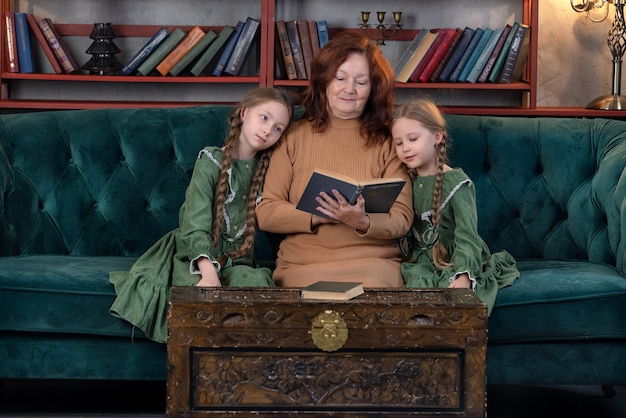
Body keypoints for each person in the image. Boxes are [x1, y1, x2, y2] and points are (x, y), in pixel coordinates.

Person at [109, 87, 293, 343]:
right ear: (244, 113)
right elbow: (194, 225)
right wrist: (208, 272)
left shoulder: (268, 171)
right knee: (199, 295)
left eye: (278, 128)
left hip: (239, 262)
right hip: (195, 255)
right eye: (264, 118)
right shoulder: (210, 161)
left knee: (253, 286)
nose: (268, 130)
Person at [255, 32, 413, 288]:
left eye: (361, 82)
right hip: (303, 264)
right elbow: (267, 212)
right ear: (324, 81)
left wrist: (363, 221)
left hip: (374, 263)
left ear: (374, 89)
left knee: (374, 297)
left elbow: (402, 218)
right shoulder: (293, 136)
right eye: (340, 78)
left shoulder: (388, 141)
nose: (349, 89)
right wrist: (319, 216)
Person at [390, 98, 519, 314]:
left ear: (437, 136)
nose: (405, 148)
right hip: (420, 260)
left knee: (449, 298)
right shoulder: (406, 181)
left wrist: (463, 275)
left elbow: (467, 236)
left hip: (453, 259)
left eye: (413, 138)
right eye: (398, 143)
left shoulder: (457, 183)